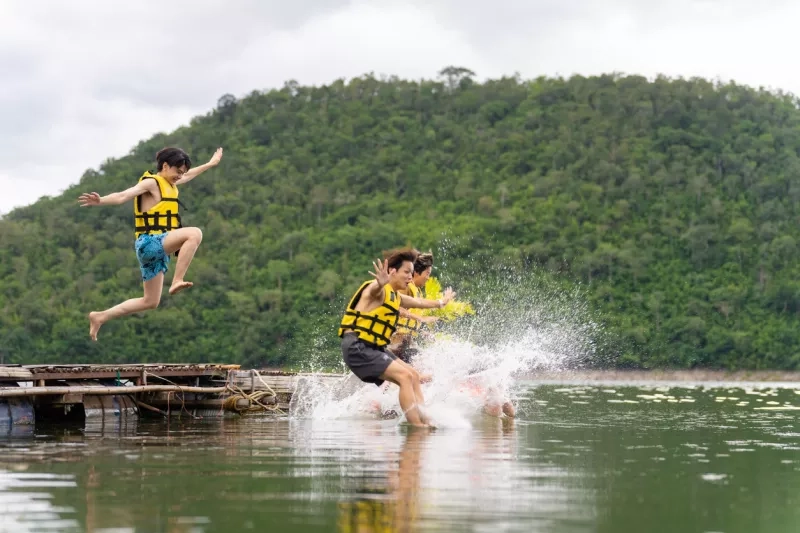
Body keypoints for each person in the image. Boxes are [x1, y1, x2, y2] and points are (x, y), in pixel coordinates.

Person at [78, 146, 223, 341]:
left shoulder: (172, 184)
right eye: (177, 172)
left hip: (157, 249)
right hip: (150, 243)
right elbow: (123, 195)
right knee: (194, 233)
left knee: (150, 301)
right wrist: (101, 200)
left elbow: (192, 174)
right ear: (165, 165)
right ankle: (177, 280)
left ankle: (100, 316)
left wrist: (211, 163)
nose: (180, 176)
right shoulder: (151, 183)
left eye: (182, 173)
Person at [337, 249, 455, 427]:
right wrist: (380, 283)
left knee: (413, 375)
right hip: (358, 347)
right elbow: (375, 290)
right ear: (392, 271)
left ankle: (426, 418)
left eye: (411, 272)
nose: (410, 277)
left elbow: (419, 303)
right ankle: (417, 425)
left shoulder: (395, 296)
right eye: (406, 272)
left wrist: (441, 303)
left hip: (373, 348)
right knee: (405, 377)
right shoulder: (377, 289)